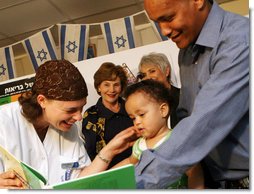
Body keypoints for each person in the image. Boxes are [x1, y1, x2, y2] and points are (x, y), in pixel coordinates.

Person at [135, 0, 249, 189]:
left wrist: (135, 182)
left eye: (169, 18)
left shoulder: (239, 41)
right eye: (157, 22)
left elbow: (203, 125)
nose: (164, 31)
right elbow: (186, 117)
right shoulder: (186, 53)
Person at [0, 59, 137, 189]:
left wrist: (109, 151)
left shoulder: (68, 127)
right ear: (42, 100)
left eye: (81, 108)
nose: (78, 117)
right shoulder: (4, 122)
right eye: (70, 110)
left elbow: (80, 180)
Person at [112, 79, 204, 189]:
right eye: (133, 118)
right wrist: (107, 175)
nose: (137, 121)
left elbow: (194, 172)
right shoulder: (140, 145)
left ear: (163, 110)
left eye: (141, 114)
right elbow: (130, 162)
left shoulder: (177, 140)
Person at [82, 62, 133, 169]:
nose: (112, 90)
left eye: (116, 85)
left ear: (121, 87)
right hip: (110, 174)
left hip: (140, 167)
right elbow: (91, 154)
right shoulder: (91, 116)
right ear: (98, 87)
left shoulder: (132, 107)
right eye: (106, 84)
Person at [137, 52, 180, 128]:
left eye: (152, 71)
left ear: (166, 71)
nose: (148, 77)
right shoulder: (144, 104)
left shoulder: (183, 97)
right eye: (144, 75)